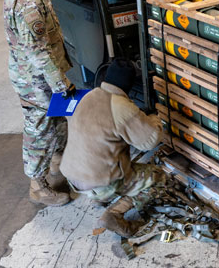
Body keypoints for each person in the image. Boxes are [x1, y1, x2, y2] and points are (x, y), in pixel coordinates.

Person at [61, 59, 170, 237]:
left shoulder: (87, 96)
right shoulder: (121, 106)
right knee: (158, 178)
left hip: (73, 176)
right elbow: (149, 141)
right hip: (100, 180)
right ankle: (114, 214)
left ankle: (100, 197)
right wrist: (155, 119)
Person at [3, 0, 74, 206]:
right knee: (39, 131)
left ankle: (57, 167)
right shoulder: (28, 4)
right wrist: (61, 85)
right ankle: (38, 186)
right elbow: (38, 52)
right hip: (34, 81)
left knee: (58, 123)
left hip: (43, 77)